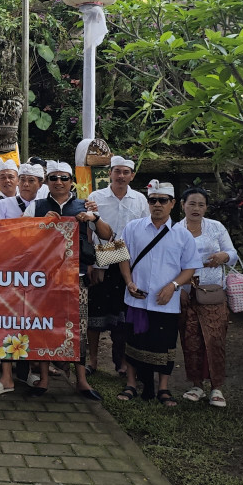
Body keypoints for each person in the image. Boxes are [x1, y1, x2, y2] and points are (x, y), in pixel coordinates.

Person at [17, 161, 112, 398]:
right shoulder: (36, 207)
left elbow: (107, 236)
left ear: (72, 181)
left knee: (77, 328)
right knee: (45, 327)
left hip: (76, 277)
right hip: (44, 279)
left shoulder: (85, 205)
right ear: (46, 182)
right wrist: (39, 224)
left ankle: (81, 381)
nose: (59, 182)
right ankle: (44, 379)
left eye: (64, 178)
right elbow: (20, 238)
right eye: (54, 178)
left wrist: (94, 217)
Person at [117, 180, 200, 406]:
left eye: (163, 200)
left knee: (164, 345)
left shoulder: (182, 235)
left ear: (173, 204)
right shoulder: (133, 228)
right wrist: (128, 282)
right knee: (134, 341)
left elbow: (190, 267)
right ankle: (132, 383)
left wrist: (173, 286)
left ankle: (163, 388)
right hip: (137, 298)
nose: (157, 205)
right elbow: (123, 256)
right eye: (153, 200)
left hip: (166, 301)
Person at [86, 155, 150, 376]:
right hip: (102, 261)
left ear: (132, 175)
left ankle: (121, 360)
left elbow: (144, 232)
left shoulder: (141, 200)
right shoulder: (96, 197)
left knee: (121, 316)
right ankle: (92, 360)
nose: (121, 176)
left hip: (129, 263)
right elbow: (89, 231)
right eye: (117, 171)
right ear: (110, 173)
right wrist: (92, 264)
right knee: (95, 315)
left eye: (126, 172)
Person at [178, 187, 238, 408]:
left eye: (201, 205)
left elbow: (232, 253)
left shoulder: (216, 228)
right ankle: (196, 385)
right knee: (190, 339)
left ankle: (216, 388)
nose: (196, 208)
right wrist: (179, 291)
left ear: (206, 208)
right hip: (187, 293)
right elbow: (172, 264)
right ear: (182, 205)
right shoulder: (175, 230)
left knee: (215, 340)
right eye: (191, 204)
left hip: (213, 292)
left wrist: (224, 256)